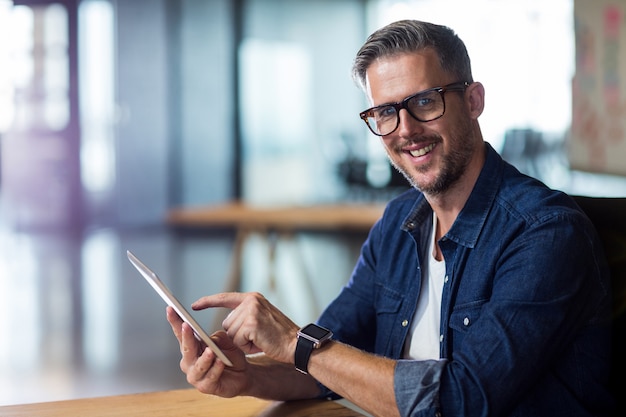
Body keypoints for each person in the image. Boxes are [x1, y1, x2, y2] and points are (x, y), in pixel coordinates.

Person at [166, 20, 613, 416]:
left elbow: (464, 400)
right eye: (384, 111)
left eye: (423, 101)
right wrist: (246, 378)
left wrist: (295, 344)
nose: (404, 129)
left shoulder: (545, 232)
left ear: (473, 100)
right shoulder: (401, 223)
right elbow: (330, 365)